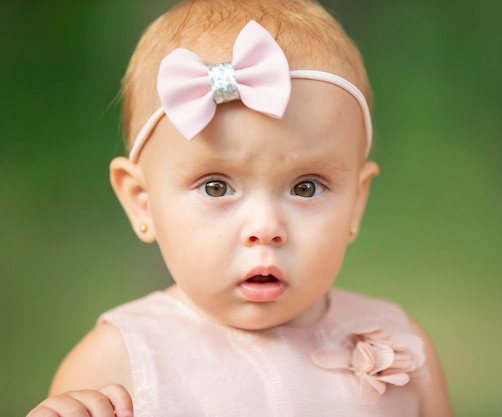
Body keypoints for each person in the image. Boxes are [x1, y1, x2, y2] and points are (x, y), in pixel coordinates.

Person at [27, 0, 453, 416]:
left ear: (356, 203)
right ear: (143, 202)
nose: (266, 228)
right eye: (215, 187)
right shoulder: (114, 364)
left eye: (306, 187)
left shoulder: (403, 346)